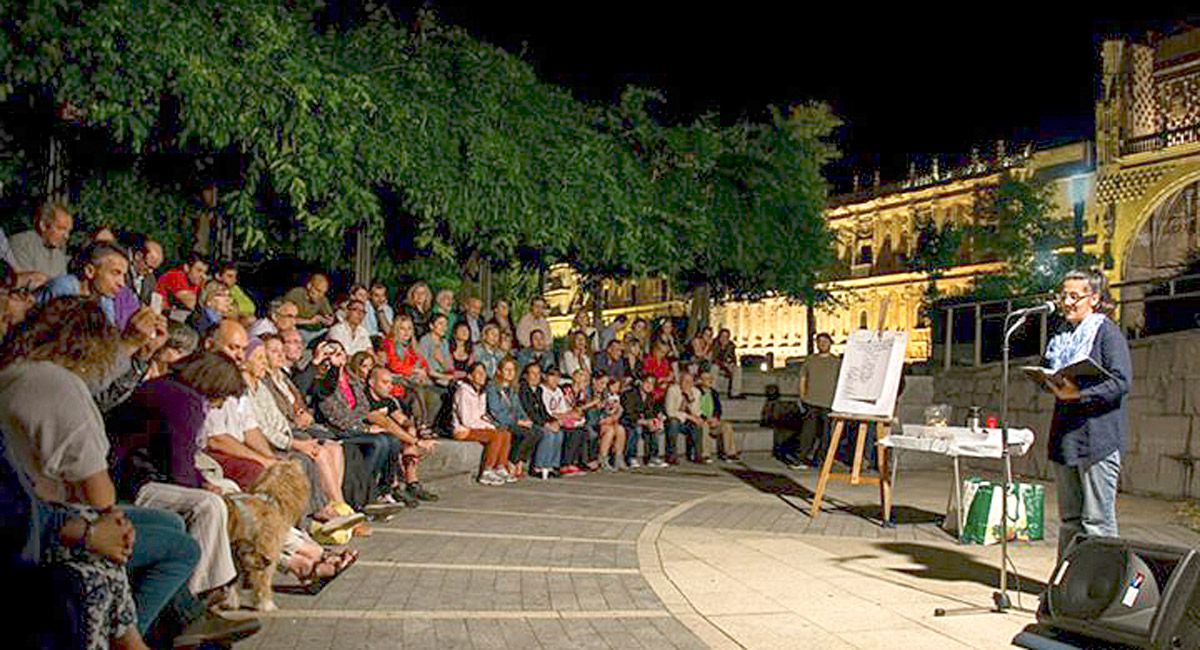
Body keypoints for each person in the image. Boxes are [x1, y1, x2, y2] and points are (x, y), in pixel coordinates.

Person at [0, 297, 212, 638]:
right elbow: (98, 493)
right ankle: (128, 636)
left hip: (39, 514)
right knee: (182, 549)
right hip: (48, 527)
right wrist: (110, 525)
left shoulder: (16, 372)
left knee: (169, 521)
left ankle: (183, 621)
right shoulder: (57, 385)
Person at [107, 352, 243, 600]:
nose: (221, 404)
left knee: (228, 488)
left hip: (142, 475)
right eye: (223, 397)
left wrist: (203, 482)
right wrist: (202, 488)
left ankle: (219, 584)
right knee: (208, 505)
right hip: (133, 483)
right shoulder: (185, 402)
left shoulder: (167, 387)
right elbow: (179, 465)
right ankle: (193, 594)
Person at [1043, 269, 1131, 560]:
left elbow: (1121, 381)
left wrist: (1081, 394)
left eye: (1074, 296)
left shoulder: (1107, 333)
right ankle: (1066, 587)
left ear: (1094, 299)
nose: (1066, 302)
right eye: (1063, 295)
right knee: (1070, 521)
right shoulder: (1061, 336)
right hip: (1066, 437)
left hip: (1098, 439)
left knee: (1096, 521)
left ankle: (1102, 590)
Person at [37, 241, 130, 327]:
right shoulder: (63, 289)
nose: (122, 283)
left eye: (123, 275)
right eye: (115, 273)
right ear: (90, 271)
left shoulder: (105, 300)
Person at [451, 362, 514, 486]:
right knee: (495, 435)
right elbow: (466, 420)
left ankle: (500, 466)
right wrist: (487, 427)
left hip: (477, 426)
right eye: (478, 373)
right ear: (470, 376)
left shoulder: (482, 392)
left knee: (505, 433)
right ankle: (487, 471)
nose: (482, 376)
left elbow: (482, 416)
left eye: (483, 373)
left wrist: (490, 425)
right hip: (463, 429)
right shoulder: (464, 391)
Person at [487, 356, 542, 479]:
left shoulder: (512, 389)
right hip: (501, 422)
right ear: (499, 371)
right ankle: (512, 461)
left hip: (514, 421)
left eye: (512, 370)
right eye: (507, 370)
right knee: (526, 433)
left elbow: (519, 408)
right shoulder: (493, 388)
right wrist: (518, 421)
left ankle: (520, 461)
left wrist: (526, 420)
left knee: (537, 431)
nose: (510, 373)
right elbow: (496, 412)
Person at [800, 333, 841, 467]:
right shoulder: (810, 360)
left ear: (830, 343)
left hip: (829, 402)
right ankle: (803, 457)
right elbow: (803, 378)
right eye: (820, 341)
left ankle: (821, 458)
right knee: (808, 432)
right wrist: (802, 396)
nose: (822, 344)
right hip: (811, 401)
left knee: (826, 433)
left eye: (825, 341)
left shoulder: (837, 362)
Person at [519, 363, 564, 480]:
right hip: (528, 421)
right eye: (532, 373)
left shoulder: (538, 390)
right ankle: (538, 467)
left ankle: (551, 466)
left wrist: (553, 421)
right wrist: (546, 424)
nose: (536, 376)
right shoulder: (523, 389)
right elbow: (529, 411)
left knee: (559, 433)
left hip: (540, 420)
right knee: (547, 433)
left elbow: (543, 410)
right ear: (526, 375)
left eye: (538, 373)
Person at [10, 201, 72, 281]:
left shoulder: (59, 258)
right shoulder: (21, 244)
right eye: (61, 229)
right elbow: (20, 282)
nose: (66, 236)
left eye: (68, 231)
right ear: (43, 225)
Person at [621, 375, 666, 467]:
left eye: (652, 384)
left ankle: (652, 457)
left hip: (641, 420)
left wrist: (655, 419)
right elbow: (629, 413)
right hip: (628, 420)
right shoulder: (630, 394)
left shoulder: (650, 397)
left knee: (654, 425)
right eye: (647, 383)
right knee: (636, 428)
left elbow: (650, 412)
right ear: (641, 383)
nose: (649, 386)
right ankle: (631, 457)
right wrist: (644, 421)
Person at [697, 370, 740, 462]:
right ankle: (705, 455)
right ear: (700, 380)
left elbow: (718, 409)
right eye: (707, 379)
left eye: (711, 379)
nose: (710, 381)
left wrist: (716, 418)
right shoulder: (696, 391)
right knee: (704, 426)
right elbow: (695, 409)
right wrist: (706, 418)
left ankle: (730, 453)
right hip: (701, 420)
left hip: (713, 420)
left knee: (726, 426)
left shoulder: (714, 393)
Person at [664, 370, 705, 464]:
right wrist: (688, 416)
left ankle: (697, 455)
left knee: (697, 424)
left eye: (690, 382)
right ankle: (671, 456)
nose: (688, 384)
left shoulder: (696, 392)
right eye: (685, 381)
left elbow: (696, 413)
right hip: (673, 420)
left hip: (687, 421)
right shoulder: (672, 390)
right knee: (673, 423)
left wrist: (691, 399)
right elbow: (670, 412)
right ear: (680, 382)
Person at [284, 273, 335, 343]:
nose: (320, 295)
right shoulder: (296, 294)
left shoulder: (322, 299)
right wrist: (310, 321)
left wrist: (327, 320)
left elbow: (330, 318)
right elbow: (285, 319)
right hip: (298, 330)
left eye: (323, 292)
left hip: (316, 332)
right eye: (318, 290)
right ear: (309, 286)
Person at [418, 313, 456, 388]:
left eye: (446, 325)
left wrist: (441, 360)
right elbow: (423, 366)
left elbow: (449, 367)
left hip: (443, 377)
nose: (444, 328)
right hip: (430, 379)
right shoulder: (425, 340)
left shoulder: (444, 342)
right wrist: (443, 376)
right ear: (431, 326)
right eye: (440, 324)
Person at [127, 236, 163, 306]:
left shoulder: (150, 279)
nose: (150, 272)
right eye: (149, 267)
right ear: (138, 256)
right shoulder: (120, 267)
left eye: (154, 269)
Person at [713, 328, 743, 398]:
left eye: (726, 337)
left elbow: (733, 358)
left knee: (738, 369)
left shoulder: (731, 345)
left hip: (726, 365)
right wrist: (723, 364)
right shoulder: (714, 344)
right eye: (722, 336)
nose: (724, 339)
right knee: (714, 367)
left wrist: (732, 364)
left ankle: (735, 393)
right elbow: (713, 358)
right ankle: (713, 391)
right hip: (717, 364)